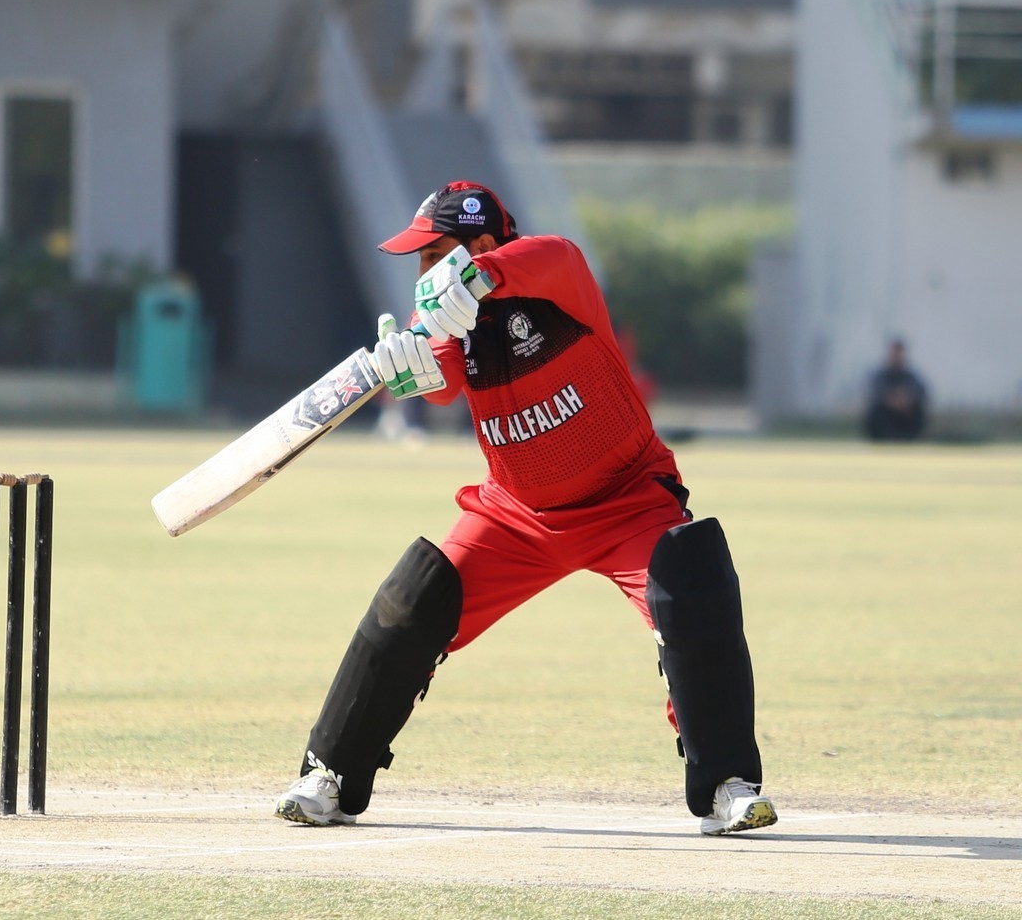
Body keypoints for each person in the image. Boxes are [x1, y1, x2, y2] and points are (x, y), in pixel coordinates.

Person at [274, 181, 776, 837]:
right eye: (419, 260)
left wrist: (479, 276)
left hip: (627, 500)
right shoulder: (448, 318)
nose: (423, 273)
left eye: (435, 255)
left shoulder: (556, 273)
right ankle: (329, 777)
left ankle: (728, 786)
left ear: (482, 243)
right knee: (411, 601)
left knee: (692, 587)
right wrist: (411, 367)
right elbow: (442, 383)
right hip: (515, 514)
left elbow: (550, 255)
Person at [864, 339, 928, 442]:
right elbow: (876, 392)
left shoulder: (910, 376)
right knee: (876, 410)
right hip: (887, 416)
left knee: (918, 409)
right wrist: (892, 400)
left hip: (905, 414)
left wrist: (906, 400)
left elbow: (921, 391)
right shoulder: (881, 375)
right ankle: (885, 439)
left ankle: (911, 438)